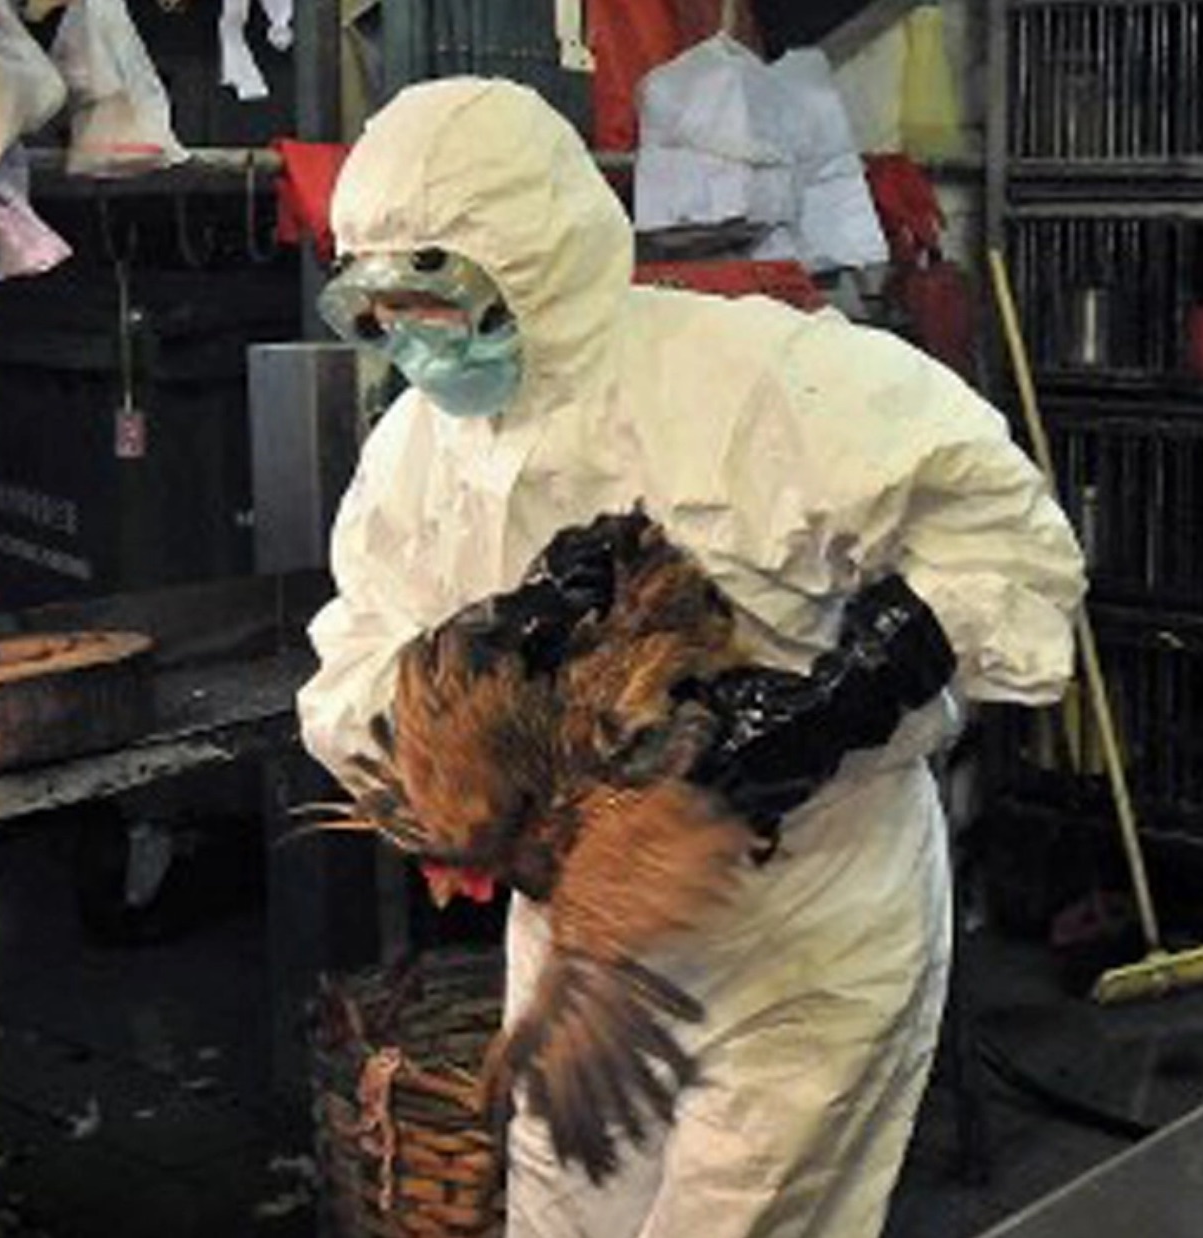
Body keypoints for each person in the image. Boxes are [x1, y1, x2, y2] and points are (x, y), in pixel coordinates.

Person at [297, 77, 1085, 1238]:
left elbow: (1003, 540)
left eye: (437, 297)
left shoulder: (756, 376)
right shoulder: (416, 447)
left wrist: (839, 701)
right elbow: (354, 656)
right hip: (589, 937)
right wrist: (451, 694)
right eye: (380, 308)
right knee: (560, 1218)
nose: (415, 340)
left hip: (802, 921)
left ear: (534, 263)